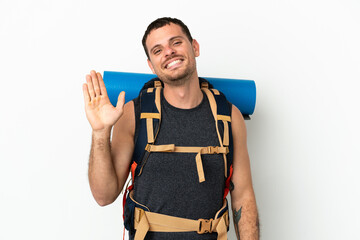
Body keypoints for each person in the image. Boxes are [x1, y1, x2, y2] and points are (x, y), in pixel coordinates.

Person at [82, 17, 259, 240]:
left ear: (194, 47)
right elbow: (103, 196)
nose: (168, 52)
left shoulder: (228, 116)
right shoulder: (133, 114)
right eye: (157, 50)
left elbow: (243, 196)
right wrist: (100, 132)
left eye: (176, 42)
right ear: (151, 65)